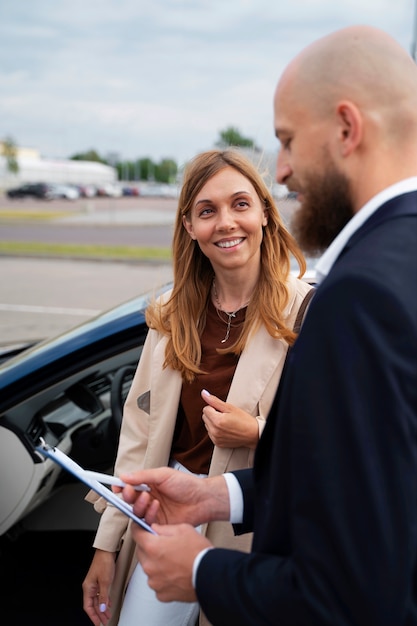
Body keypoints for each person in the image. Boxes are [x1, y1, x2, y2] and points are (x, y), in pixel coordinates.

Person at [119, 25, 417, 625]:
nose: (281, 170)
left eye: (286, 140)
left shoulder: (357, 295)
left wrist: (202, 571)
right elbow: (377, 486)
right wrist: (220, 494)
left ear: (346, 128)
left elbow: (350, 593)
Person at [82, 148, 313, 626]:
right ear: (189, 226)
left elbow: (336, 446)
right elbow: (137, 442)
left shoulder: (309, 313)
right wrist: (107, 545)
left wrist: (258, 433)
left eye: (241, 204)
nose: (226, 222)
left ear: (266, 213)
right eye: (207, 211)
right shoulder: (169, 316)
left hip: (255, 527)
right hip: (166, 511)